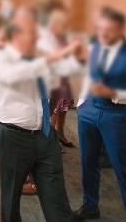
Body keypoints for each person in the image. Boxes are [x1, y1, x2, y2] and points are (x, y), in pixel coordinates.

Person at [0, 10, 83, 222]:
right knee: (11, 197)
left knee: (56, 196)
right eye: (28, 30)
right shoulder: (0, 59)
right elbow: (21, 74)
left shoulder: (40, 55)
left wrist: (78, 59)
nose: (35, 35)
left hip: (45, 134)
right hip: (14, 137)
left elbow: (62, 72)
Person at [75, 7, 126, 221]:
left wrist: (114, 93)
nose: (102, 35)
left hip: (116, 116)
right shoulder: (94, 48)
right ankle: (90, 206)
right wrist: (81, 105)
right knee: (87, 161)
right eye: (100, 30)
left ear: (120, 30)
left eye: (108, 30)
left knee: (122, 167)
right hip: (88, 111)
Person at [38, 8, 76, 148]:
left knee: (64, 107)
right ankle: (51, 141)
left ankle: (60, 134)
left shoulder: (66, 37)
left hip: (66, 77)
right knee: (54, 109)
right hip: (53, 80)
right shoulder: (46, 39)